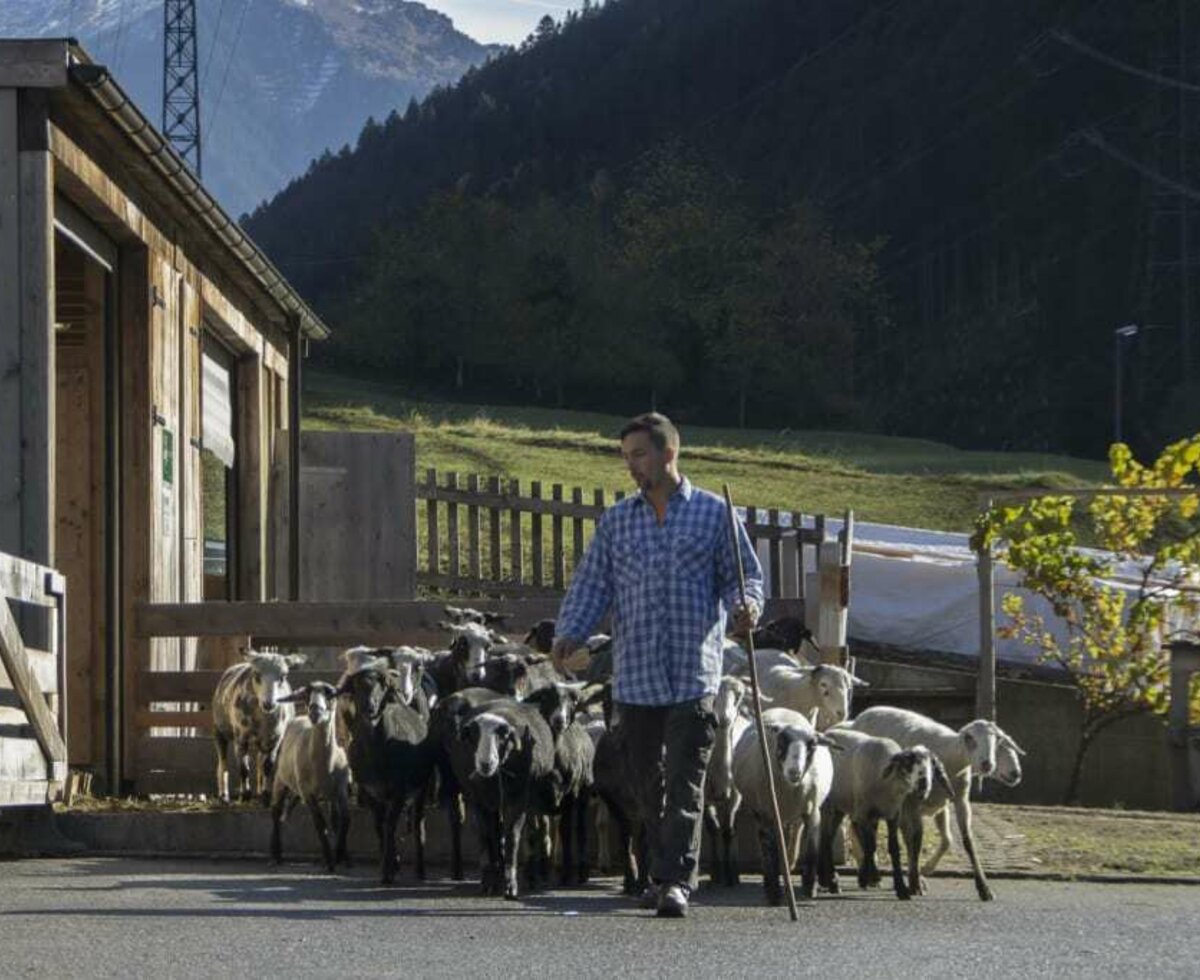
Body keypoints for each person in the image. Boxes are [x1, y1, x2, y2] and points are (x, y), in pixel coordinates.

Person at [551, 412, 764, 918]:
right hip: (636, 677)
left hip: (695, 673)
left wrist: (746, 608)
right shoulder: (618, 520)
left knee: (687, 783)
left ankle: (675, 882)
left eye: (639, 455)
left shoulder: (715, 514)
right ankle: (658, 871)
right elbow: (592, 583)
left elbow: (745, 579)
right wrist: (570, 631)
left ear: (669, 454)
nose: (631, 466)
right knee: (647, 785)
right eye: (626, 457)